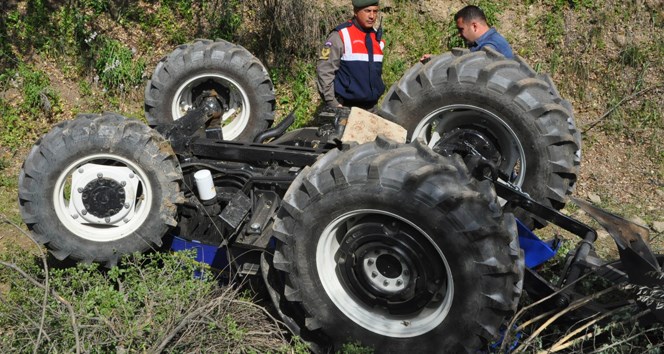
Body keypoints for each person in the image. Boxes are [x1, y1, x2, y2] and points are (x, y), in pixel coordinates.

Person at [316, 0, 385, 111]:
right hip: (345, 108)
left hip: (371, 108)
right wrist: (332, 102)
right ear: (356, 12)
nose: (372, 16)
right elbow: (324, 70)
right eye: (367, 11)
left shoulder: (376, 37)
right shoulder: (340, 35)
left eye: (375, 11)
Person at [420, 5, 513, 63]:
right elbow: (466, 59)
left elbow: (468, 68)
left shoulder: (490, 46)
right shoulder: (487, 42)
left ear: (474, 26)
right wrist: (437, 60)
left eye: (461, 29)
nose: (459, 34)